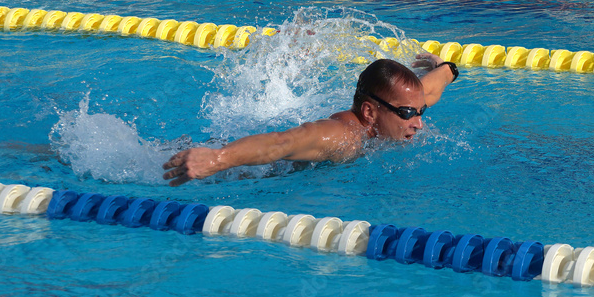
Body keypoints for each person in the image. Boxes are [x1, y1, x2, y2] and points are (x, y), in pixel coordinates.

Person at [162, 53, 459, 186]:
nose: (418, 123)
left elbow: (429, 90)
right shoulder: (342, 137)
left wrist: (446, 68)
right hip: (240, 171)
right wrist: (218, 159)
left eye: (420, 112)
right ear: (369, 112)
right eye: (408, 113)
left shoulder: (398, 111)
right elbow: (282, 143)